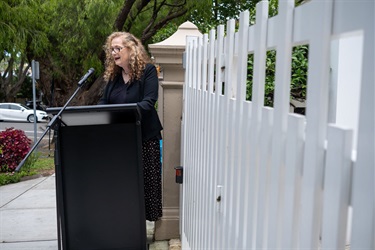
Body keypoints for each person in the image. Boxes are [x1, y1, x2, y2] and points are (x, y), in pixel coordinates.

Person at [98, 31, 163, 221]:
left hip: (144, 138)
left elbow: (148, 102)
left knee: (145, 186)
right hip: (119, 139)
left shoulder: (148, 71)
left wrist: (121, 114)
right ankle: (123, 222)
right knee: (122, 185)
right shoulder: (114, 77)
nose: (113, 53)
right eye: (111, 49)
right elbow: (103, 101)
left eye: (118, 48)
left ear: (131, 49)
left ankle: (139, 230)